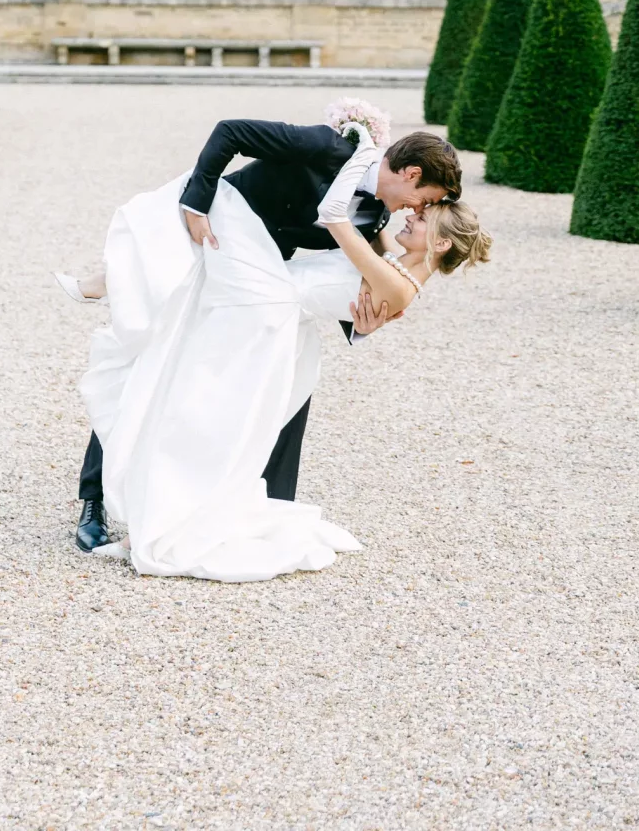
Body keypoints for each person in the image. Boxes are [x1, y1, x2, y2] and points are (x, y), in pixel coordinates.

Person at [57, 106, 480, 574]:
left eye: (424, 212)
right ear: (411, 173)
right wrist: (196, 204)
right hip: (220, 244)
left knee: (261, 401)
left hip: (263, 293)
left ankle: (255, 504)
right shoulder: (329, 148)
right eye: (422, 201)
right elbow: (230, 131)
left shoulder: (378, 215)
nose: (416, 211)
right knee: (146, 364)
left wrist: (362, 322)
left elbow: (350, 275)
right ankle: (95, 500)